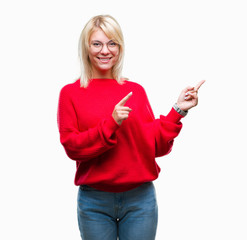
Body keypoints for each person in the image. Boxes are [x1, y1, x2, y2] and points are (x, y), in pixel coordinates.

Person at [57, 15, 205, 240]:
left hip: (140, 200)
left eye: (112, 43)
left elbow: (153, 145)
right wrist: (111, 123)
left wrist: (178, 110)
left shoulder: (135, 90)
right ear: (86, 48)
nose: (105, 51)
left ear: (120, 48)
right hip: (94, 201)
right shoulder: (70, 93)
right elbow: (73, 148)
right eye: (97, 43)